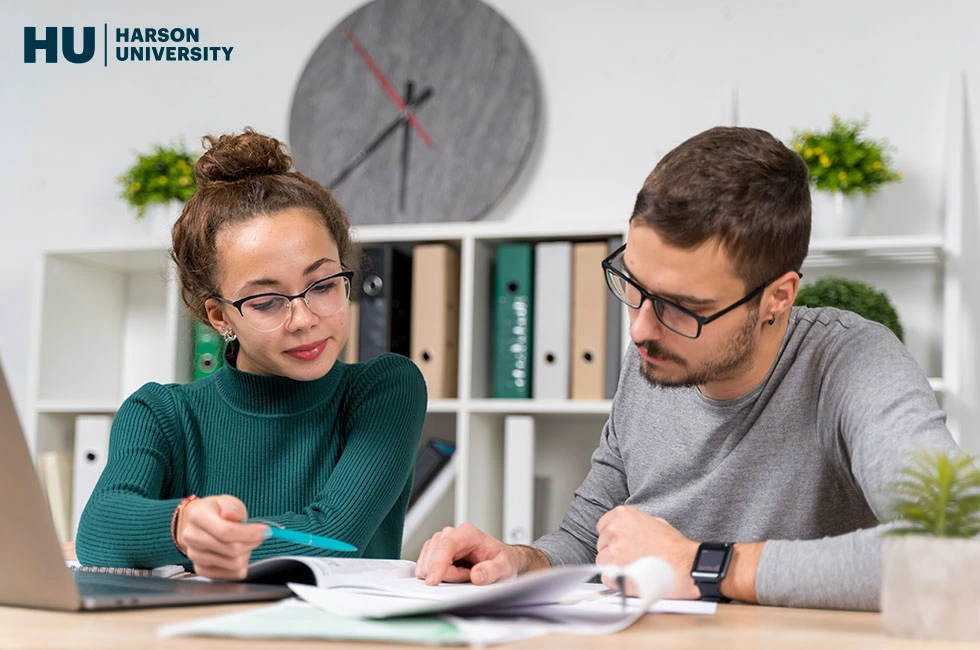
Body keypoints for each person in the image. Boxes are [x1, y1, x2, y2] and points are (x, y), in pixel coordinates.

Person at [414, 126, 960, 611]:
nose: (639, 330)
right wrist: (516, 561)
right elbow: (586, 537)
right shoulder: (658, 351)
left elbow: (955, 547)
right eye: (633, 285)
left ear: (777, 297)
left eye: (684, 307)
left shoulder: (853, 362)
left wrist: (701, 563)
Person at [75, 128, 427, 579]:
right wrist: (182, 525)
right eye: (266, 302)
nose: (303, 318)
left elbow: (335, 537)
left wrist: (176, 543)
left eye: (322, 285)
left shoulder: (385, 389)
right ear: (220, 316)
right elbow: (99, 530)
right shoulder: (160, 413)